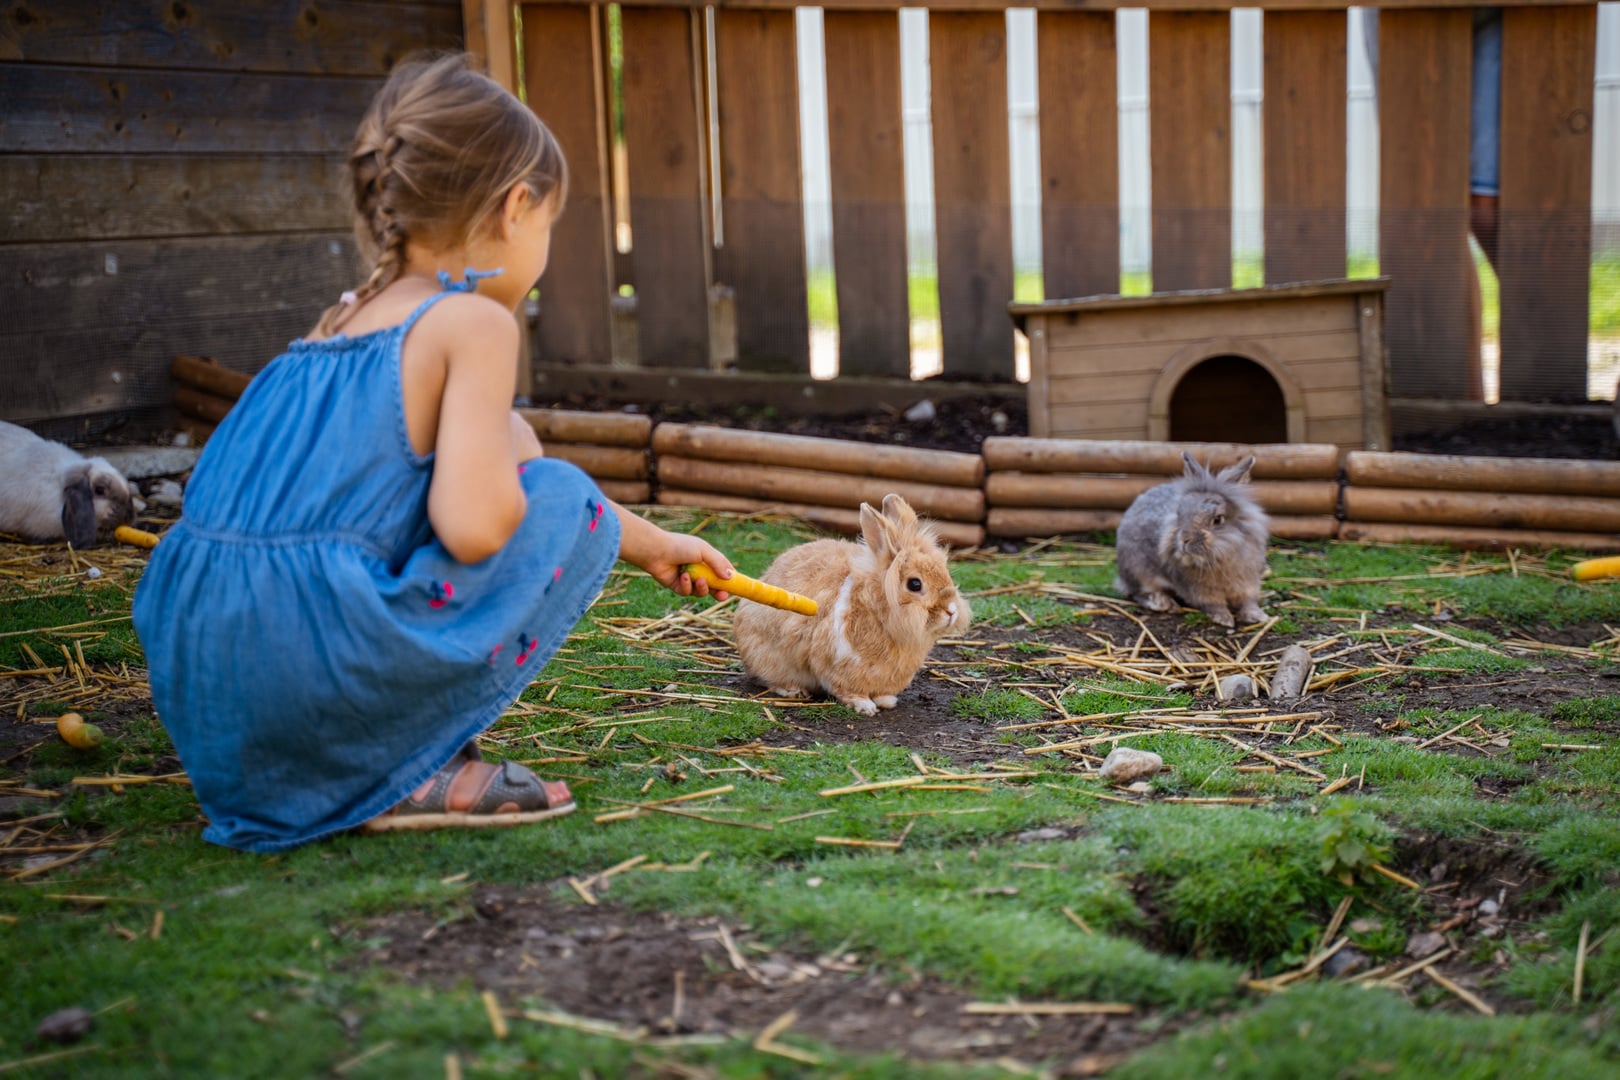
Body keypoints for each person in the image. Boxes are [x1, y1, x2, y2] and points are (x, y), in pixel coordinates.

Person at [133, 53, 734, 853]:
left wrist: (654, 546)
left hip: (211, 676)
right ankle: (398, 766)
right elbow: (477, 528)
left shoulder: (335, 325)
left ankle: (323, 763)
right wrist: (529, 473)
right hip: (312, 657)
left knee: (515, 449)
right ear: (515, 208)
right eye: (549, 224)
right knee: (545, 481)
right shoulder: (472, 324)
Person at [1363, 9, 1501, 400]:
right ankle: (1469, 402)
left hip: (1511, 12)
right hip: (1403, 14)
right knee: (1430, 210)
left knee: (1486, 207)